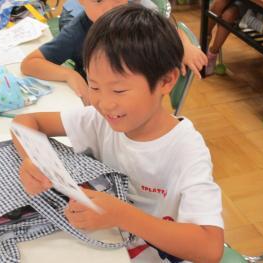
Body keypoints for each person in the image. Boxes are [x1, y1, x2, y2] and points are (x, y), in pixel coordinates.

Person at [12, 4, 224, 262]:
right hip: (107, 241)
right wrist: (30, 159)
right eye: (94, 86)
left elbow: (210, 248)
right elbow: (25, 121)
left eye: (119, 91)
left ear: (166, 81)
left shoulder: (186, 149)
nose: (104, 103)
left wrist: (122, 215)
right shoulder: (100, 119)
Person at [20, 0, 207, 104]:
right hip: (104, 107)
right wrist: (70, 75)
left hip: (139, 104)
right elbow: (30, 63)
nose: (111, 8)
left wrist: (184, 45)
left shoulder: (137, 14)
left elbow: (168, 29)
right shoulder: (78, 31)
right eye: (99, 0)